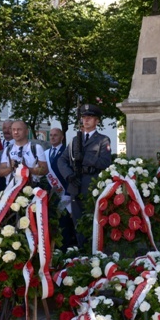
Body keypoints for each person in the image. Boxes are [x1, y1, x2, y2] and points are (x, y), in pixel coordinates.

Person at [58, 104, 112, 246]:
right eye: (84, 117)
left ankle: (94, 251)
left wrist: (86, 158)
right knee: (78, 222)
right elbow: (62, 161)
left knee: (93, 220)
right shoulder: (75, 140)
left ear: (97, 121)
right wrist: (69, 175)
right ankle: (81, 251)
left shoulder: (103, 140)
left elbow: (106, 162)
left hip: (92, 184)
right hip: (76, 183)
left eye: (90, 117)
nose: (86, 120)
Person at [45, 128, 75, 250]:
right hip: (51, 195)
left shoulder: (67, 152)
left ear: (62, 137)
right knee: (51, 223)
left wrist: (68, 193)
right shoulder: (45, 154)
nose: (52, 137)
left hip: (64, 193)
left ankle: (65, 250)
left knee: (64, 224)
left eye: (55, 135)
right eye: (51, 135)